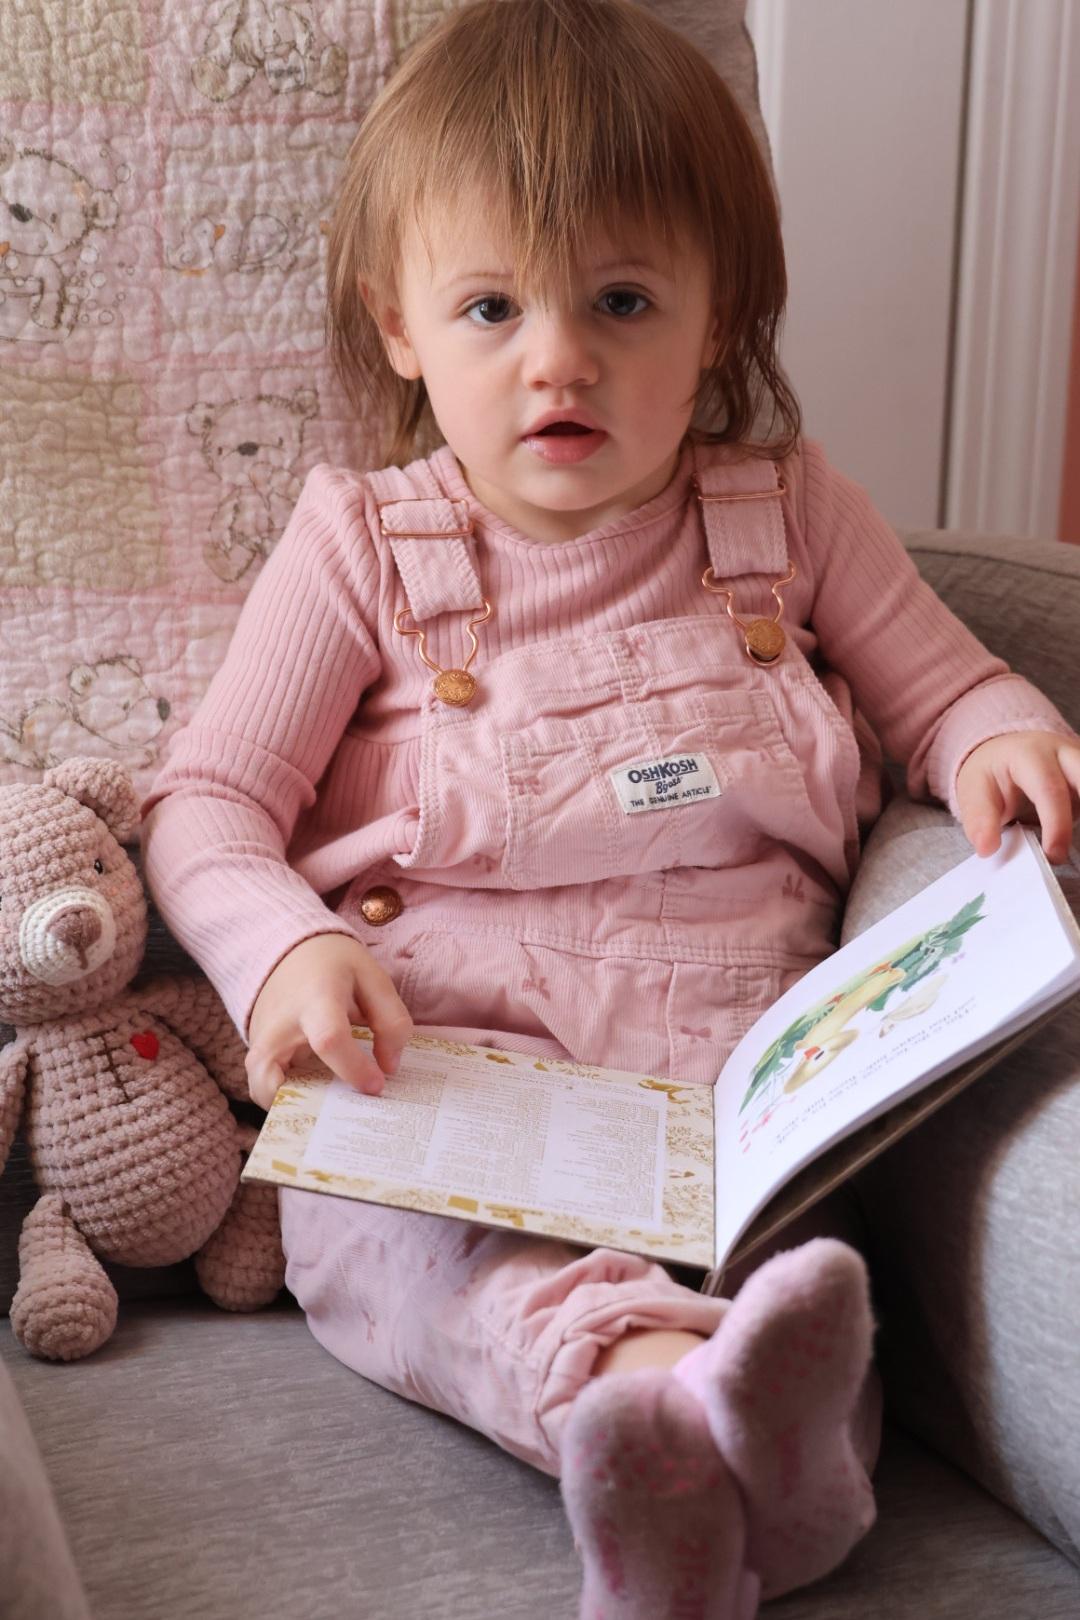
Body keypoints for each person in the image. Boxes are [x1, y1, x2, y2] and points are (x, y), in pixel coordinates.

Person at [140, 1, 1080, 1613]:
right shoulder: (365, 549)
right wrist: (282, 953)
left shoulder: (788, 515)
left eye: (622, 299)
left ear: (716, 323)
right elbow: (208, 800)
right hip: (451, 1100)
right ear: (398, 329)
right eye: (491, 306)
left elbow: (950, 688)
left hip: (730, 1113)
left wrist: (1006, 736)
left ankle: (728, 1441)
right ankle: (634, 1409)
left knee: (814, 1291)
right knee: (411, 1260)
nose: (557, 356)